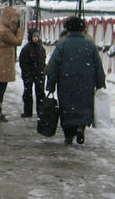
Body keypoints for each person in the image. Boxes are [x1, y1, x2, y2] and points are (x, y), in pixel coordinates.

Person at [45, 15, 106, 145]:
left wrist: (50, 84)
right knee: (83, 106)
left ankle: (68, 135)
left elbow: (53, 66)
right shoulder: (90, 46)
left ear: (68, 29)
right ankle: (81, 127)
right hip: (86, 83)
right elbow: (98, 66)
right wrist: (100, 83)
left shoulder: (63, 45)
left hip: (66, 82)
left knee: (67, 108)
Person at [0, 6, 24, 121]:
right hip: (3, 61)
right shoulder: (4, 30)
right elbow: (17, 41)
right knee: (1, 88)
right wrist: (20, 30)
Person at [19, 28, 47, 118]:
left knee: (40, 93)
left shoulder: (41, 48)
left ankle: (41, 111)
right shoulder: (27, 48)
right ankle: (27, 111)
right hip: (29, 74)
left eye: (37, 36)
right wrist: (26, 73)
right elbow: (22, 62)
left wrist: (42, 71)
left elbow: (43, 61)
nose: (36, 38)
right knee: (28, 93)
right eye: (34, 36)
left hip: (39, 74)